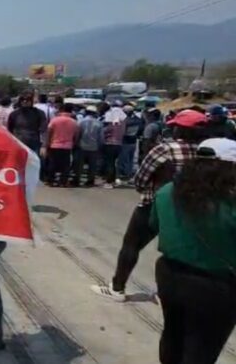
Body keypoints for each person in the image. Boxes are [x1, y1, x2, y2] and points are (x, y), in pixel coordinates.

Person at [91, 109, 208, 302]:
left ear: (179, 129)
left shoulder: (165, 148)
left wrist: (145, 190)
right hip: (188, 208)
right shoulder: (205, 152)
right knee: (175, 252)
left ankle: (117, 288)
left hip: (154, 204)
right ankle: (166, 293)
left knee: (131, 246)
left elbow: (141, 177)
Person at [151, 137, 236, 364]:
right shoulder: (228, 201)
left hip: (169, 275)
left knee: (172, 335)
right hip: (215, 286)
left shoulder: (167, 191)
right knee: (202, 348)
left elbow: (153, 224)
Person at [44, 103, 78, 186]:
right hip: (67, 146)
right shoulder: (74, 122)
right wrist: (74, 144)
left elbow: (49, 132)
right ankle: (63, 181)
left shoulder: (55, 120)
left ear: (61, 110)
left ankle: (50, 181)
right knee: (66, 165)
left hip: (54, 145)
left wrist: (46, 144)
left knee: (52, 163)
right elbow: (76, 135)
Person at [73, 105, 103, 187]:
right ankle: (90, 181)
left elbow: (77, 135)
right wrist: (100, 147)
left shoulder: (80, 122)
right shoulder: (99, 123)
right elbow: (101, 137)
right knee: (92, 165)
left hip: (81, 146)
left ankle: (77, 180)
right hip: (94, 147)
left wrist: (75, 144)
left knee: (79, 165)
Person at [101, 103, 126, 189]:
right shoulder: (122, 123)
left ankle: (109, 182)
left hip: (109, 144)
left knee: (110, 163)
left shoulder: (111, 123)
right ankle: (113, 180)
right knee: (114, 163)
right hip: (119, 144)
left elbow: (105, 131)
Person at [119, 105, 143, 182]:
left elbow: (122, 131)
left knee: (124, 159)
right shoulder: (138, 120)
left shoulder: (125, 120)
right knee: (131, 159)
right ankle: (129, 173)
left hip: (125, 141)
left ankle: (126, 174)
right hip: (134, 141)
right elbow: (140, 130)